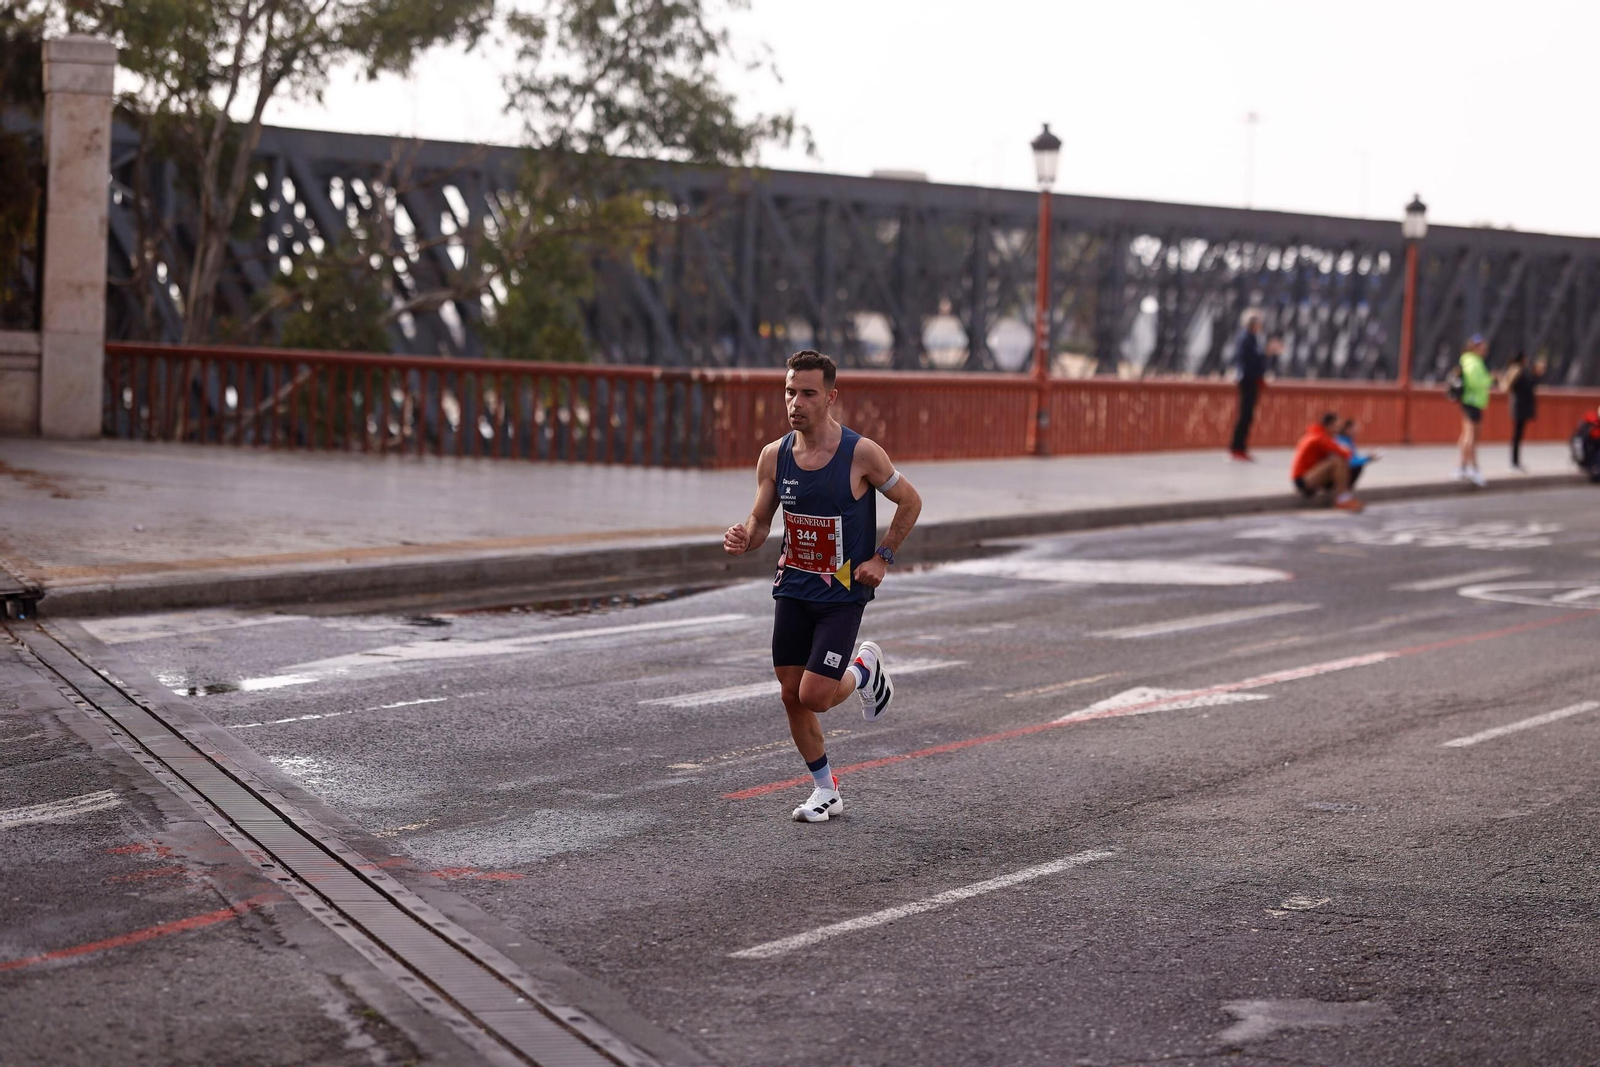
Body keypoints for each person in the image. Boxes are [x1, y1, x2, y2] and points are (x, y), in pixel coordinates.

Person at [722, 350, 923, 823]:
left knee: (815, 695)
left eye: (808, 393)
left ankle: (864, 670)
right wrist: (743, 537)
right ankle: (824, 789)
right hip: (792, 587)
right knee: (791, 693)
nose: (796, 402)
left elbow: (910, 501)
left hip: (841, 594)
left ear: (830, 397)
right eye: (790, 391)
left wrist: (883, 556)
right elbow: (759, 521)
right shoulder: (774, 457)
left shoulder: (862, 454)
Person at [1290, 411, 1364, 512]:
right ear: (1330, 425)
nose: (1339, 429)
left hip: (1312, 474)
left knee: (1341, 462)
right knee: (1337, 461)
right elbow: (1344, 454)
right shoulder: (1318, 437)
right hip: (1303, 479)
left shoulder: (1320, 435)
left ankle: (1345, 496)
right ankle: (1342, 498)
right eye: (1337, 426)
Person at [1229, 313, 1269, 460]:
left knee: (1247, 415)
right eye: (1259, 323)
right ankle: (1237, 447)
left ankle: (1239, 447)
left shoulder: (1248, 337)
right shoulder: (1247, 338)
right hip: (1249, 380)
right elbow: (1252, 360)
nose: (1261, 326)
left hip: (1248, 379)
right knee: (1245, 415)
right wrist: (1266, 353)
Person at [1455, 334, 1493, 487]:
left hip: (1474, 402)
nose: (1484, 349)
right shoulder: (1472, 362)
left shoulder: (1473, 361)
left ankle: (1462, 467)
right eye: (1481, 346)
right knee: (1471, 437)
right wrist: (1490, 379)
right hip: (1472, 402)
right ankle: (1474, 469)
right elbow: (1476, 383)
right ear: (1475, 347)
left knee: (1467, 436)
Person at [1505, 351, 1546, 473]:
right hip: (1519, 407)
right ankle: (1514, 462)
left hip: (1518, 407)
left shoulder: (1516, 371)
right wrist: (1537, 375)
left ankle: (1515, 461)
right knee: (1517, 435)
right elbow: (1527, 386)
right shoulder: (1519, 371)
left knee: (1518, 435)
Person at [1334, 417, 1382, 489]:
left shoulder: (1348, 441)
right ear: (1347, 430)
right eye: (1354, 429)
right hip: (1337, 471)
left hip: (1340, 469)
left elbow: (1354, 457)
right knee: (1357, 467)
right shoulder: (1343, 442)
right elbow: (1350, 462)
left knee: (1358, 466)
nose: (1357, 431)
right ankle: (1344, 492)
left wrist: (1368, 456)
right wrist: (1368, 458)